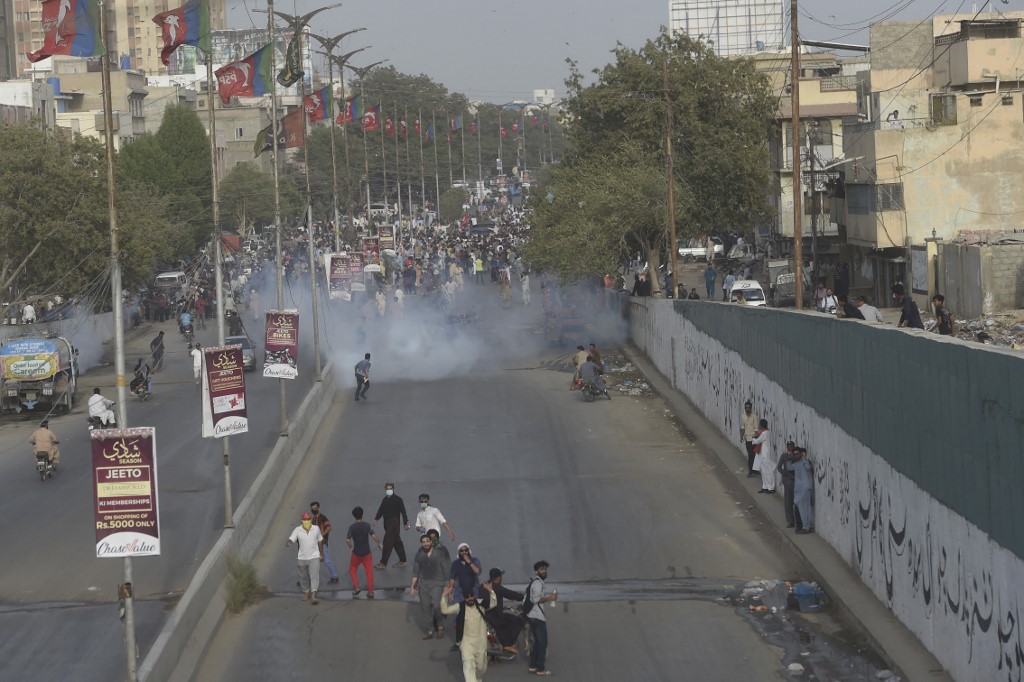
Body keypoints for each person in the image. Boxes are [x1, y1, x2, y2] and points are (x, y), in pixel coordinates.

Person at [441, 581, 496, 682]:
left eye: (471, 596)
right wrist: (444, 595)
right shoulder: (460, 607)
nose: (470, 598)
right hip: (466, 642)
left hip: (480, 642)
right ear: (464, 598)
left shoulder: (481, 603)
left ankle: (477, 678)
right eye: (467, 597)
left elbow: (493, 603)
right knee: (468, 666)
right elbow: (445, 610)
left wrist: (491, 591)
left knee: (481, 667)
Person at [409, 534, 452, 639]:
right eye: (423, 542)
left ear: (431, 542)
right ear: (421, 543)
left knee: (437, 606)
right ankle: (430, 629)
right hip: (423, 586)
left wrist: (448, 585)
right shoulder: (419, 554)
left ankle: (441, 626)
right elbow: (416, 572)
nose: (426, 543)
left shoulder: (439, 552)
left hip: (438, 584)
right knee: (426, 608)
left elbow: (446, 567)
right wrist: (412, 587)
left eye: (427, 541)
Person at [448, 542, 484, 650]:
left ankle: (475, 639)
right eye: (462, 551)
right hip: (459, 591)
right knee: (458, 616)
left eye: (466, 550)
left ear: (469, 551)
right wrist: (450, 592)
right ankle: (459, 641)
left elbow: (478, 572)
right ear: (458, 552)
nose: (464, 553)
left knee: (473, 614)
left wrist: (469, 562)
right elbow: (452, 579)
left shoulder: (475, 560)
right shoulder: (455, 563)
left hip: (473, 590)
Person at [482, 568, 525, 652]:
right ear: (498, 578)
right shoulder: (497, 587)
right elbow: (510, 594)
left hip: (484, 614)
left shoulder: (484, 585)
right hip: (494, 616)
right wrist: (522, 597)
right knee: (518, 621)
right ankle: (507, 644)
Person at [285, 512, 324, 605]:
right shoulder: (297, 530)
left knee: (314, 576)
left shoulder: (316, 529)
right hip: (302, 557)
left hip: (314, 556)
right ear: (302, 521)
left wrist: (321, 553)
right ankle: (306, 592)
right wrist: (289, 542)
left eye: (308, 520)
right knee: (303, 577)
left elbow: (320, 540)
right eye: (305, 520)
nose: (307, 521)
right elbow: (292, 538)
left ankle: (314, 595)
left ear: (310, 520)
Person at [526, 560, 556, 676]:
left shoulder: (537, 582)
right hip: (536, 618)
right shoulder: (537, 583)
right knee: (542, 643)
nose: (544, 571)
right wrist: (550, 598)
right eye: (542, 569)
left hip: (534, 616)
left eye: (545, 569)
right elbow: (535, 600)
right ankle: (540, 668)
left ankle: (533, 666)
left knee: (538, 643)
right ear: (536, 571)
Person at [373, 482, 411, 568]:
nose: (389, 490)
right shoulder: (385, 499)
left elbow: (403, 512)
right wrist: (376, 518)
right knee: (397, 542)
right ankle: (403, 560)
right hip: (387, 523)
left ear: (394, 489)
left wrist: (405, 523)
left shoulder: (398, 499)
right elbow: (381, 509)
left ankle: (383, 563)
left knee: (387, 542)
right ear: (385, 489)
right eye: (387, 489)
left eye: (390, 489)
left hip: (394, 524)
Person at [346, 506, 381, 598]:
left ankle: (357, 587)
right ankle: (370, 592)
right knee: (369, 572)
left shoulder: (352, 527)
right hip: (367, 553)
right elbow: (373, 536)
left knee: (352, 570)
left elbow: (348, 540)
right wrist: (379, 543)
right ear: (362, 515)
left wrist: (351, 548)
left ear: (354, 516)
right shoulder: (366, 525)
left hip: (356, 553)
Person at [310, 501, 340, 585]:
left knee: (326, 560)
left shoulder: (322, 518)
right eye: (312, 509)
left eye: (315, 508)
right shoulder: (314, 519)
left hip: (322, 543)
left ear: (319, 508)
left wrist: (321, 535)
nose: (314, 510)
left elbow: (329, 527)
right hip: (315, 543)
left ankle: (335, 576)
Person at [789, 447, 815, 534]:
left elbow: (808, 467)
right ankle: (809, 526)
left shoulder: (805, 463)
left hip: (805, 489)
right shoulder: (796, 464)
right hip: (798, 490)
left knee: (805, 509)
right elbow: (788, 467)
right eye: (794, 454)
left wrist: (804, 458)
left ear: (801, 454)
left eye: (797, 454)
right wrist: (790, 457)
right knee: (804, 509)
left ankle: (806, 527)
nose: (796, 456)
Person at [776, 441, 798, 528]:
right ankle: (790, 521)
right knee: (788, 502)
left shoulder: (796, 456)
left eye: (792, 448)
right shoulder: (784, 456)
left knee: (796, 502)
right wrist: (786, 474)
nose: (790, 449)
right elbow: (779, 467)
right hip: (787, 481)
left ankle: (797, 521)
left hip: (795, 481)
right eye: (789, 448)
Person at [751, 418, 776, 494]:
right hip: (762, 454)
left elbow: (757, 441)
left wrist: (753, 438)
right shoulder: (765, 432)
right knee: (763, 471)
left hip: (764, 455)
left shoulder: (764, 433)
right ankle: (765, 487)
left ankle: (771, 488)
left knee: (767, 472)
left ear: (761, 425)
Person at [740, 401, 759, 478]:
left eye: (748, 407)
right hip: (747, 439)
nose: (747, 409)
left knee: (754, 456)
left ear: (751, 408)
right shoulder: (743, 416)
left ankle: (753, 471)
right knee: (751, 455)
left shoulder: (754, 417)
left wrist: (756, 439)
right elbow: (742, 427)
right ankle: (751, 471)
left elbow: (756, 429)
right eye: (746, 407)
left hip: (754, 439)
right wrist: (741, 437)